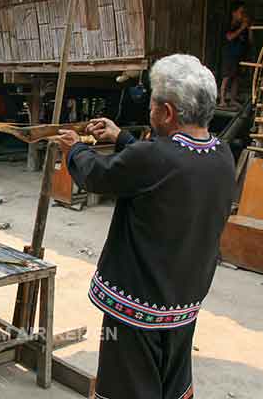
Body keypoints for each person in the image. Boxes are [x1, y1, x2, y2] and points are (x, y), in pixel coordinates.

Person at [57, 54, 235, 399]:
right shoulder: (221, 155)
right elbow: (162, 167)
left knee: (130, 386)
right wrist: (122, 136)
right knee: (171, 383)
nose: (149, 112)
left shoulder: (154, 157)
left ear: (167, 112)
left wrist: (74, 149)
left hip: (139, 306)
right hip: (183, 303)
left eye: (153, 105)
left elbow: (100, 175)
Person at [219, 0, 251, 108]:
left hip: (239, 55)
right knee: (227, 77)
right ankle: (222, 100)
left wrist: (249, 29)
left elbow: (250, 41)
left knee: (236, 78)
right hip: (229, 54)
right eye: (241, 12)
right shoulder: (230, 24)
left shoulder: (244, 27)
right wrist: (242, 28)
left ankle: (232, 99)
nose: (243, 15)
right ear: (234, 13)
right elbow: (229, 37)